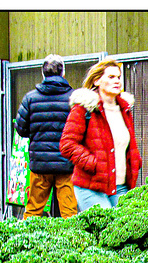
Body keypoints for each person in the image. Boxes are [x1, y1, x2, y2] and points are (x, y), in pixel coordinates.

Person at [60, 58, 142, 211]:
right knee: (106, 229)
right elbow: (67, 144)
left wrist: (136, 161)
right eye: (111, 77)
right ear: (97, 80)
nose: (117, 81)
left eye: (118, 77)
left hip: (121, 187)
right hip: (91, 187)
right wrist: (94, 163)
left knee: (126, 230)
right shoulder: (84, 108)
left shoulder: (124, 110)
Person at [14, 54, 78, 219]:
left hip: (40, 165)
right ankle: (70, 243)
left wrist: (38, 135)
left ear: (43, 74)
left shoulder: (30, 98)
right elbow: (80, 130)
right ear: (64, 73)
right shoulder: (74, 99)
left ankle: (27, 242)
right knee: (69, 214)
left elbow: (21, 129)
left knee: (34, 211)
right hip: (67, 165)